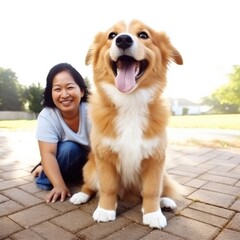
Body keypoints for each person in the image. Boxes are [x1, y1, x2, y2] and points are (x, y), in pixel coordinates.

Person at [31, 63, 91, 203]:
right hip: (71, 156)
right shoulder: (47, 116)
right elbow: (48, 153)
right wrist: (59, 185)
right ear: (51, 93)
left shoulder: (93, 111)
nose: (64, 95)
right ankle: (48, 174)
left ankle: (51, 169)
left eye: (70, 87)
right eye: (57, 89)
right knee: (69, 148)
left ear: (81, 91)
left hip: (92, 161)